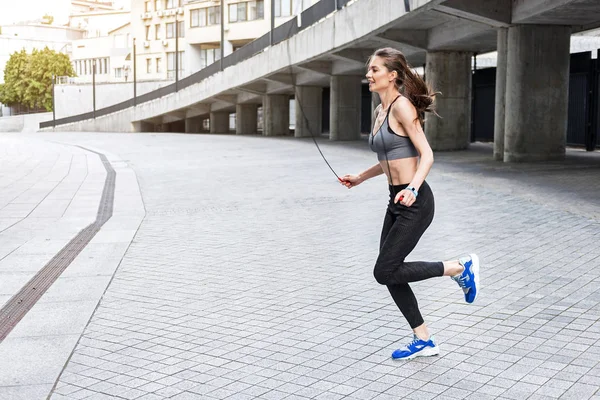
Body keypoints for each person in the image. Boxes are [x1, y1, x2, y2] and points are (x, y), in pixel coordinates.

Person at [341, 47, 480, 361]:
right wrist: (360, 177)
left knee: (384, 270)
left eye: (375, 69)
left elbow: (426, 155)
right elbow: (389, 157)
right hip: (395, 200)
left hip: (415, 200)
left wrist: (414, 189)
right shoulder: (380, 110)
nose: (369, 74)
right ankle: (424, 340)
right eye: (369, 69)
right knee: (390, 272)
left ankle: (459, 267)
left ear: (392, 75)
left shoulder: (402, 106)